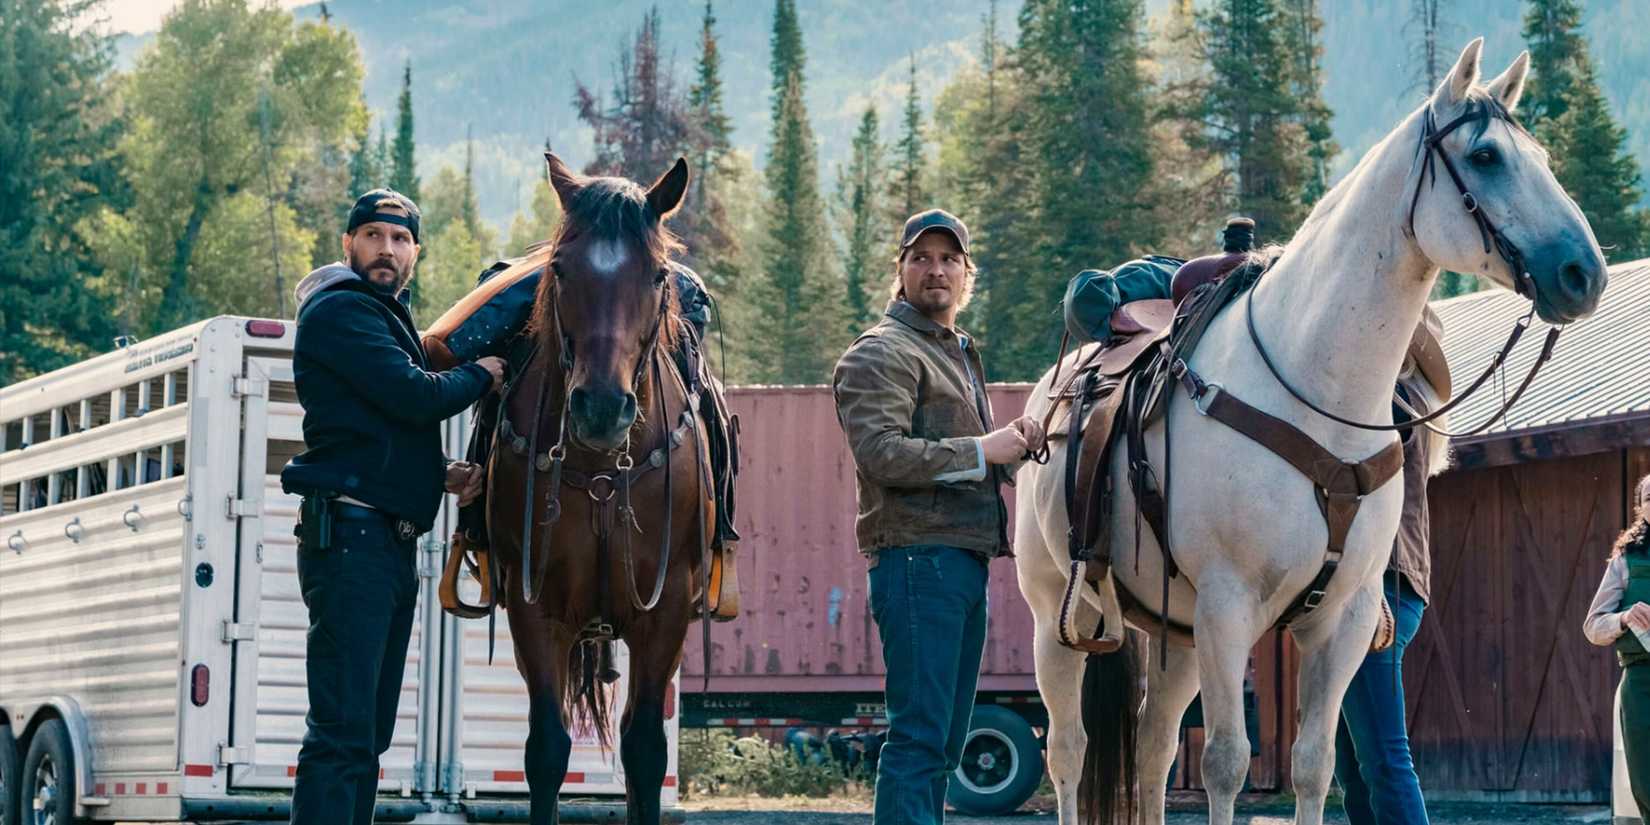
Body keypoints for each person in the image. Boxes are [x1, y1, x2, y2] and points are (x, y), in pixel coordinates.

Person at [279, 188, 505, 824]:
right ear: (348, 245)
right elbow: (411, 396)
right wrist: (484, 374)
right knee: (342, 732)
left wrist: (439, 475)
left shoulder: (386, 316)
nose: (387, 249)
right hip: (352, 542)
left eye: (400, 239)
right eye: (374, 236)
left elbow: (371, 431)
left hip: (383, 544)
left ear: (415, 253)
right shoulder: (340, 311)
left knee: (367, 734)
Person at [831, 208, 1044, 825]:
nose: (936, 270)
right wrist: (985, 449)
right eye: (921, 258)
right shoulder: (880, 353)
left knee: (945, 745)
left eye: (949, 259)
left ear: (967, 274)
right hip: (917, 562)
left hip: (958, 560)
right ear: (899, 272)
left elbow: (960, 458)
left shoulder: (955, 352)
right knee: (921, 740)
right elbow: (881, 454)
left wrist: (1012, 450)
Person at [1332, 309, 1450, 825]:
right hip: (1391, 584)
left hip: (1375, 587)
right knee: (1356, 765)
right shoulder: (1416, 402)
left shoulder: (1390, 403)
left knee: (1382, 757)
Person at [1585, 473, 1650, 821]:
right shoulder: (1626, 561)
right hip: (1641, 686)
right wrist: (1624, 618)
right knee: (1646, 783)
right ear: (1641, 508)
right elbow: (1592, 627)